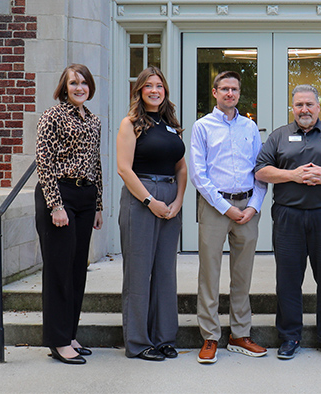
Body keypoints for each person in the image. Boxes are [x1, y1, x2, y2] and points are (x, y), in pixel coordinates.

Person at [255, 84, 321, 360]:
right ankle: (289, 337)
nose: (304, 110)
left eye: (309, 105)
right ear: (293, 108)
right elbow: (261, 171)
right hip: (289, 217)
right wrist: (292, 176)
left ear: (318, 106)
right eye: (299, 105)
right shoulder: (278, 136)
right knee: (288, 280)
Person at [189, 71, 268, 364]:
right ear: (214, 92)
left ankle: (239, 334)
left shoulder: (249, 127)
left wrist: (254, 206)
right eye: (224, 89)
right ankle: (210, 336)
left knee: (242, 275)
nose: (230, 93)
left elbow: (260, 171)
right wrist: (225, 208)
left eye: (234, 89)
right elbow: (198, 173)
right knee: (209, 274)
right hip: (215, 206)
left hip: (246, 208)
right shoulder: (202, 127)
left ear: (239, 93)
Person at [116, 66, 187, 362]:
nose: (155, 90)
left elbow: (181, 167)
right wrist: (149, 201)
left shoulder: (171, 123)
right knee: (138, 273)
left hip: (171, 198)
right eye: (149, 86)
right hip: (141, 199)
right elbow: (124, 168)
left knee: (165, 273)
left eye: (159, 86)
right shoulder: (130, 123)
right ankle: (138, 342)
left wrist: (179, 200)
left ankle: (164, 338)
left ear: (165, 91)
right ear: (140, 91)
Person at [35, 64, 103, 365]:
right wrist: (55, 204)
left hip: (86, 196)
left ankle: (70, 333)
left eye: (84, 83)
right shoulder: (53, 116)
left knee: (77, 269)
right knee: (59, 269)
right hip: (60, 193)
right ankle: (58, 340)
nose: (79, 87)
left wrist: (98, 204)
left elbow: (95, 163)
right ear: (64, 87)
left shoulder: (94, 120)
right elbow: (44, 160)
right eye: (73, 83)